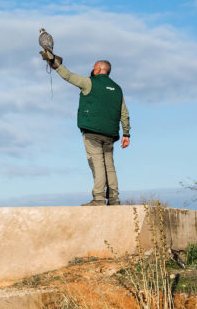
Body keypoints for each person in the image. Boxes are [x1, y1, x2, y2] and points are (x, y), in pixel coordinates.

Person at [41, 51, 130, 206]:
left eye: (95, 68)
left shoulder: (90, 82)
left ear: (100, 70)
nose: (93, 70)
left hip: (92, 132)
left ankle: (99, 198)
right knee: (109, 166)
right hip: (110, 134)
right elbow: (124, 112)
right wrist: (126, 133)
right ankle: (114, 199)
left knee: (97, 164)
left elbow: (68, 76)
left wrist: (55, 63)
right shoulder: (117, 89)